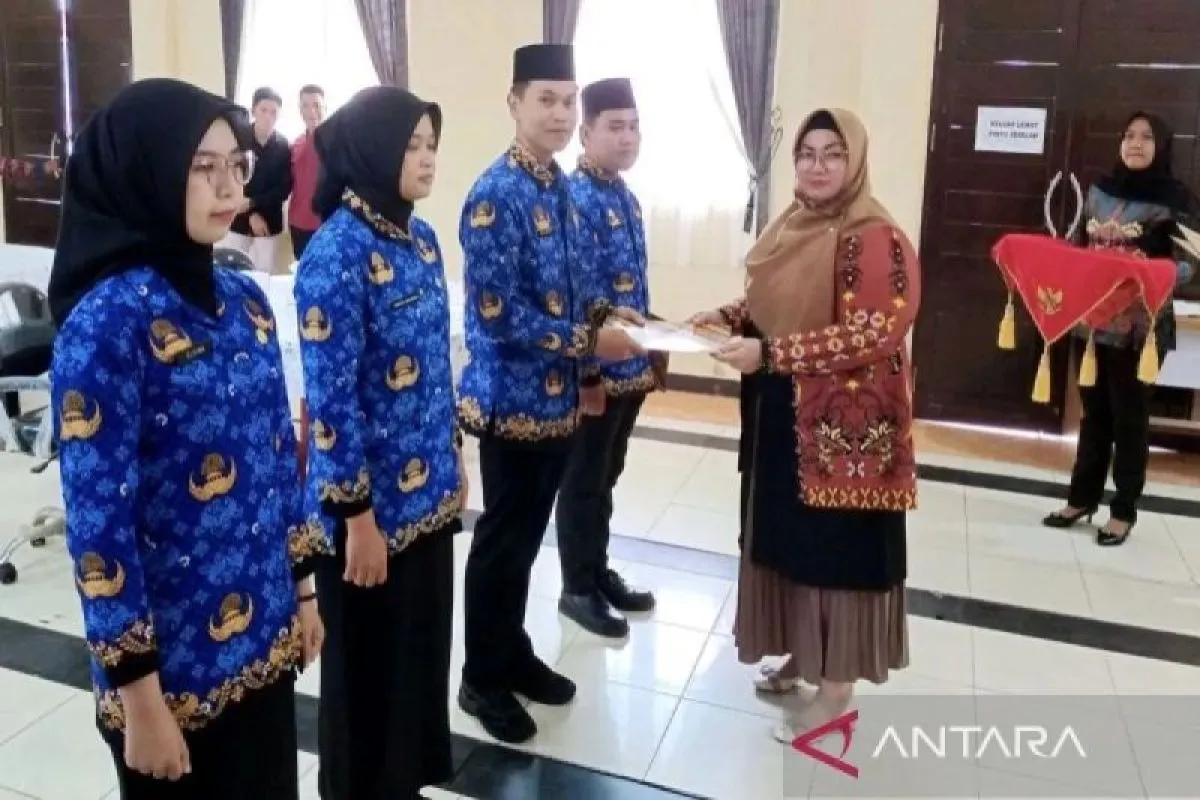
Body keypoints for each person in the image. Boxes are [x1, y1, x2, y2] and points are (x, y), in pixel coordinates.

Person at [48, 77, 324, 799]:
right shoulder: (106, 325)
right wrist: (139, 700)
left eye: (236, 164)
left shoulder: (245, 302)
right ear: (146, 171)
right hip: (172, 674)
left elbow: (278, 459)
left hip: (262, 637)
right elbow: (99, 529)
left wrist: (303, 592)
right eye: (203, 168)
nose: (229, 186)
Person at [690, 108, 917, 740]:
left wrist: (771, 354)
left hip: (847, 434)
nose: (818, 167)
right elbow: (774, 302)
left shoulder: (874, 237)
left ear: (856, 161)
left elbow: (872, 332)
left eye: (833, 154)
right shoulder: (793, 224)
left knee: (834, 555)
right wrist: (728, 317)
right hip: (783, 415)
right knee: (788, 542)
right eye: (807, 154)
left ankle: (836, 689)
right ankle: (801, 653)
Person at [456, 43, 644, 744]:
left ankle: (511, 652)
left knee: (529, 539)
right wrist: (586, 342)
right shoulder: (494, 194)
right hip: (510, 403)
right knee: (502, 542)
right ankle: (480, 676)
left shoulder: (559, 187)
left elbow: (578, 289)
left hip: (559, 399)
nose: (561, 114)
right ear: (514, 103)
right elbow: (497, 315)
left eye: (568, 101)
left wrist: (608, 331)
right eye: (546, 100)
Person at [294, 85, 465, 800]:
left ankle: (405, 785)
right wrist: (356, 519)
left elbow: (436, 366)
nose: (426, 159)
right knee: (366, 679)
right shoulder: (336, 253)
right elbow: (330, 406)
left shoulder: (420, 240)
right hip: (367, 518)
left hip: (428, 499)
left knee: (416, 661)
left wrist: (454, 457)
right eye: (411, 145)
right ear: (372, 152)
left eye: (431, 145)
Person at [1043, 111, 1197, 546]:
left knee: (1129, 421)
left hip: (1140, 331)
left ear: (1161, 146)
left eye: (1146, 137)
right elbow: (1081, 247)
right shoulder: (1099, 191)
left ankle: (1123, 511)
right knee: (1094, 417)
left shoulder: (1176, 201)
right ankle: (1081, 499)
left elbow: (1190, 264)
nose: (1135, 143)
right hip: (1093, 326)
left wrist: (1153, 273)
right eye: (1129, 135)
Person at [555, 77, 659, 639]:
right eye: (615, 127)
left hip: (632, 369)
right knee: (583, 481)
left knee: (606, 478)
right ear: (586, 132)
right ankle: (576, 587)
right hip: (596, 372)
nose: (628, 137)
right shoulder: (575, 200)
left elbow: (632, 288)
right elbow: (577, 299)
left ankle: (597, 572)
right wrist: (588, 373)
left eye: (634, 126)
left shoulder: (625, 196)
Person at [224, 87, 293, 272]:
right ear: (253, 110)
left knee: (265, 272)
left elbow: (284, 188)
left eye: (274, 112)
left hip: (270, 222)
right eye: (263, 110)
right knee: (231, 270)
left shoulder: (283, 146)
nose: (268, 117)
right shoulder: (238, 139)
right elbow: (229, 177)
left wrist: (253, 203)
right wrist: (251, 214)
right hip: (237, 218)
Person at [287, 84, 326, 259]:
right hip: (298, 223)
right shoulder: (295, 144)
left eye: (316, 105)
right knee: (301, 268)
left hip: (327, 223)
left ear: (325, 107)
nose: (311, 111)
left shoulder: (338, 142)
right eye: (305, 106)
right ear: (300, 110)